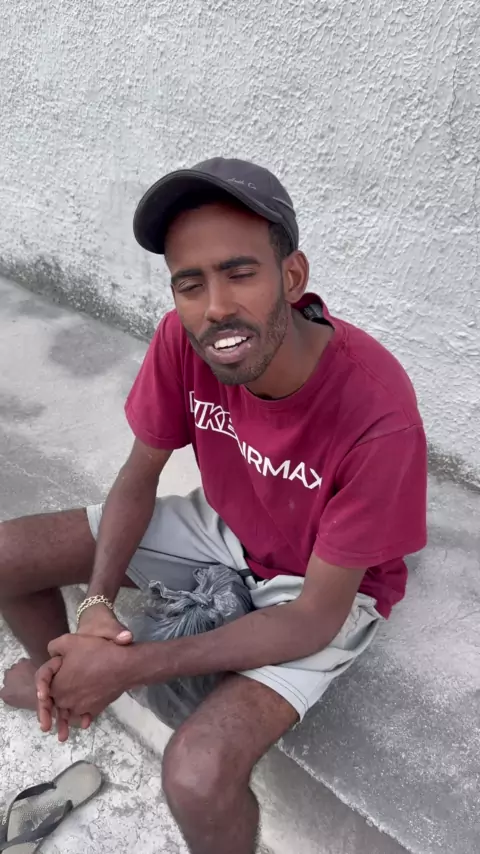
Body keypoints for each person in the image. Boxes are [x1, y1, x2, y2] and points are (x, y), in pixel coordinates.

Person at [0, 157, 427, 854]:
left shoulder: (377, 416)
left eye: (240, 272)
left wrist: (129, 668)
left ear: (292, 277)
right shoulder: (183, 339)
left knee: (197, 774)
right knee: (8, 553)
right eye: (190, 283)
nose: (215, 307)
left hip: (319, 580)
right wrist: (96, 608)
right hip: (226, 528)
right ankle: (65, 689)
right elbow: (140, 474)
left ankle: (84, 683)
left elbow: (314, 617)